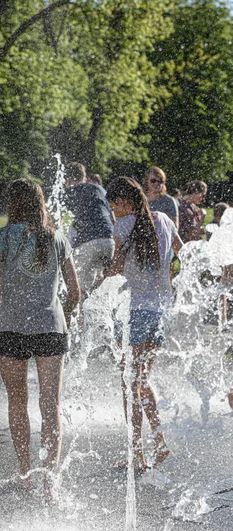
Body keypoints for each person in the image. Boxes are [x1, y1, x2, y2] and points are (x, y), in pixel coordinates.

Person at [0, 179, 80, 500]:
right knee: (51, 405)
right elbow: (75, 291)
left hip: (12, 328)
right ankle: (49, 481)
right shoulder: (58, 239)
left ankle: (25, 473)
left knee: (17, 402)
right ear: (40, 204)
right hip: (51, 328)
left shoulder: (4, 237)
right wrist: (62, 315)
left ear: (12, 205)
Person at [106, 177, 183, 472]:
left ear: (124, 202)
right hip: (159, 313)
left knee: (130, 385)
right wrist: (169, 280)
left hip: (133, 312)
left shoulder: (123, 226)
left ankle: (136, 454)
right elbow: (181, 253)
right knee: (140, 381)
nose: (114, 211)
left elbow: (115, 272)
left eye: (114, 205)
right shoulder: (163, 218)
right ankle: (160, 441)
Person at [64, 162, 114, 295]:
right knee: (98, 286)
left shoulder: (69, 192)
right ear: (84, 177)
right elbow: (112, 217)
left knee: (78, 288)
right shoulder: (99, 189)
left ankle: (78, 315)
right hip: (109, 241)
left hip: (88, 244)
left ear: (67, 180)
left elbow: (61, 224)